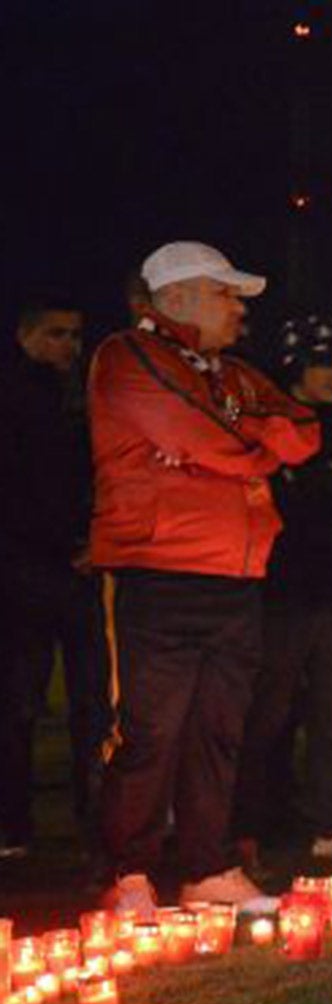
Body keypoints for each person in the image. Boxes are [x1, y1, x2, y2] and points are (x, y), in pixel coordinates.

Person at [88, 241, 320, 916]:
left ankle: (206, 865)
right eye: (227, 295)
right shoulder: (126, 355)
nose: (240, 310)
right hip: (156, 571)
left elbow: (303, 431)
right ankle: (128, 868)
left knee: (218, 729)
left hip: (236, 576)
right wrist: (250, 445)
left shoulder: (236, 373)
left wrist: (232, 438)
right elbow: (200, 433)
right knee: (148, 730)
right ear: (180, 295)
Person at [230, 315, 332, 865]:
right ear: (293, 369)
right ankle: (247, 826)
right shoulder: (270, 429)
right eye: (321, 363)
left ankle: (326, 820)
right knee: (267, 717)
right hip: (282, 596)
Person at [0, 296, 106, 856]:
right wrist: (65, 543)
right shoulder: (17, 400)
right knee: (21, 700)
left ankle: (92, 819)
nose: (68, 346)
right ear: (26, 335)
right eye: (57, 334)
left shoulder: (77, 398)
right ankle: (15, 823)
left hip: (76, 567)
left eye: (75, 335)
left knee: (91, 700)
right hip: (26, 572)